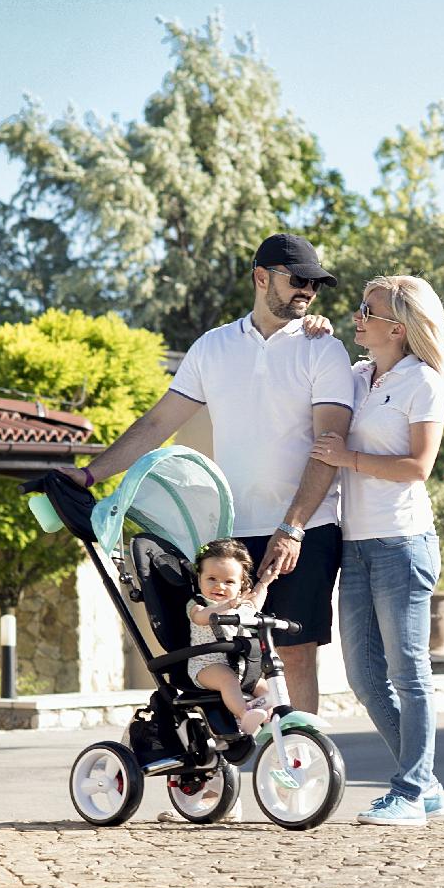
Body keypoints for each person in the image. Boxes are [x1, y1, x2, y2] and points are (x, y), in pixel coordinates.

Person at [57, 231, 354, 714]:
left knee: (296, 656)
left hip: (306, 528)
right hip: (232, 535)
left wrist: (292, 527)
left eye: (315, 285)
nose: (308, 291)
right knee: (232, 659)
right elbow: (158, 423)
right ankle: (243, 759)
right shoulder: (212, 348)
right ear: (262, 277)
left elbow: (328, 447)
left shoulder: (324, 350)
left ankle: (301, 771)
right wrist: (90, 476)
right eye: (298, 280)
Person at [309, 275, 444, 826]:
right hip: (357, 545)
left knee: (408, 673)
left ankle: (411, 792)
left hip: (402, 544)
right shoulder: (360, 375)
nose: (356, 317)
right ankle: (427, 783)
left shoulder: (423, 381)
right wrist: (315, 332)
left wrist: (348, 460)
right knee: (365, 678)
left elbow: (419, 467)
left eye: (366, 311)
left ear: (397, 327)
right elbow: (318, 382)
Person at [185, 540, 277, 735]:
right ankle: (244, 714)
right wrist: (226, 606)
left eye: (229, 582)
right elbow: (201, 618)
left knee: (268, 690)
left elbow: (255, 602)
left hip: (242, 668)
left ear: (240, 585)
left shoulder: (241, 607)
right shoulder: (198, 604)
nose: (219, 586)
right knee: (228, 680)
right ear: (199, 578)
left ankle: (268, 721)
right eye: (211, 578)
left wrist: (265, 582)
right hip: (207, 666)